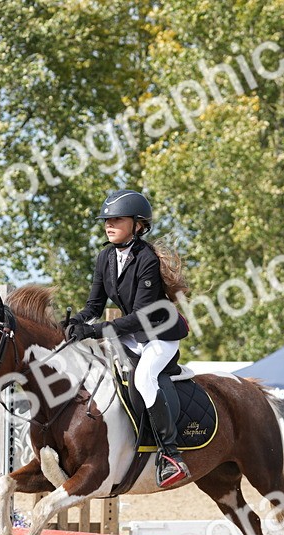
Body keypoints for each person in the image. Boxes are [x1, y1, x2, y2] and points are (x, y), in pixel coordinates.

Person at [64, 190, 190, 488]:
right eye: (106, 220)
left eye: (117, 219)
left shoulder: (146, 259)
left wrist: (94, 331)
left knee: (144, 379)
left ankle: (171, 455)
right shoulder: (105, 256)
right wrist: (73, 324)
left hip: (158, 334)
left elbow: (141, 315)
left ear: (138, 224)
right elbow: (94, 308)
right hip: (131, 336)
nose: (109, 224)